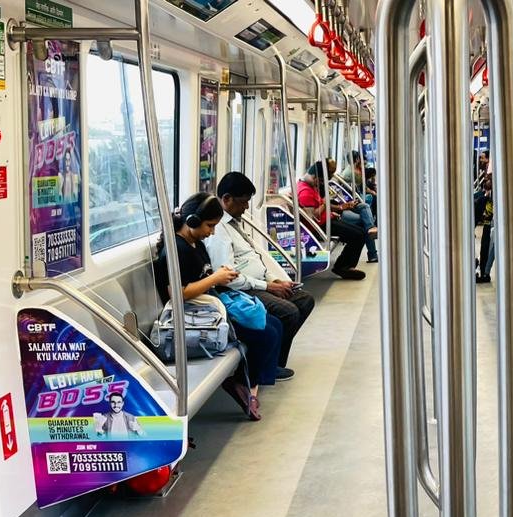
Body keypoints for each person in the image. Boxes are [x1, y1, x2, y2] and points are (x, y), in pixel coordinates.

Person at [154, 192, 282, 421]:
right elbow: (179, 294)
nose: (212, 232)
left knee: (274, 323)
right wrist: (215, 279)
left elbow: (204, 276)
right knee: (266, 334)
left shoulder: (196, 244)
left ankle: (248, 382)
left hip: (210, 306)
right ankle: (243, 383)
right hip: (194, 315)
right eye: (210, 226)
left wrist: (221, 276)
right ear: (193, 221)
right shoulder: (176, 251)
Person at [209, 171, 314, 379]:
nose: (246, 207)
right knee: (288, 312)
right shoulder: (218, 230)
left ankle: (275, 361)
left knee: (304, 300)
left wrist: (273, 280)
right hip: (238, 290)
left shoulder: (234, 222)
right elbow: (229, 277)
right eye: (243, 202)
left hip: (258, 283)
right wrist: (269, 287)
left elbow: (251, 260)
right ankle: (267, 367)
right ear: (227, 199)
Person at [297, 161, 369, 279]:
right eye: (320, 181)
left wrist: (335, 209)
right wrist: (325, 204)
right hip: (322, 226)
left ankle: (346, 266)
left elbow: (319, 208)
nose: (320, 184)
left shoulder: (308, 186)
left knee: (360, 231)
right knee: (358, 235)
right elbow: (312, 218)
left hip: (328, 220)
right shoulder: (305, 192)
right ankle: (343, 267)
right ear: (316, 178)